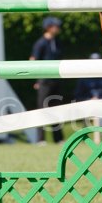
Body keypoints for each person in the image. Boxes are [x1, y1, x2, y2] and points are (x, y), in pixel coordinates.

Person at [30, 16, 64, 144]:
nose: (58, 28)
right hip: (44, 81)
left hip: (56, 80)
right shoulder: (41, 43)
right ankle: (40, 139)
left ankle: (58, 138)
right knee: (42, 109)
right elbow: (33, 60)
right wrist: (37, 80)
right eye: (56, 26)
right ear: (48, 27)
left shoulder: (57, 42)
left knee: (57, 109)